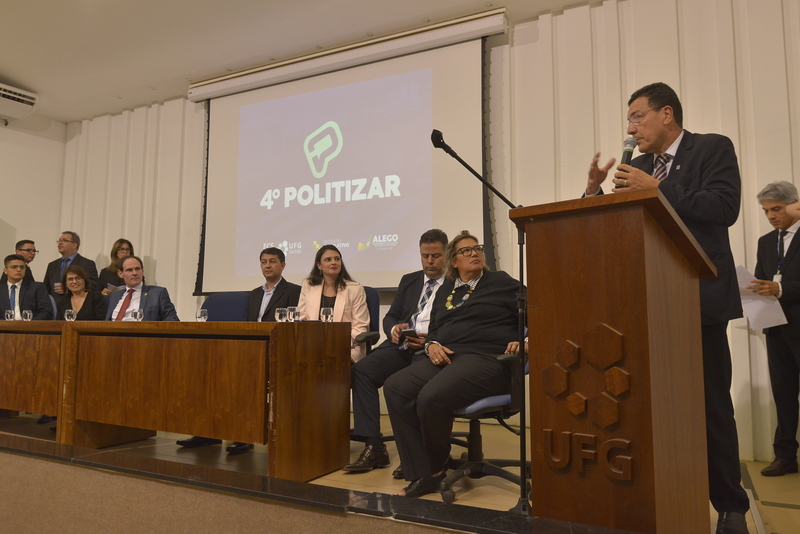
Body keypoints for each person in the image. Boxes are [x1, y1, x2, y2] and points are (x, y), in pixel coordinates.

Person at [584, 82, 749, 533]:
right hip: (644, 302)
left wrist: (657, 187)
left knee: (711, 406)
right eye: (629, 120)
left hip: (698, 298)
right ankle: (660, 493)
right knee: (647, 405)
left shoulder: (711, 148)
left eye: (637, 117)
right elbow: (615, 224)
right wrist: (594, 192)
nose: (631, 128)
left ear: (666, 114)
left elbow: (723, 207)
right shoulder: (636, 166)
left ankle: (730, 506)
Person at [383, 231, 521, 498]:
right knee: (396, 386)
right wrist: (431, 344)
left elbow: (537, 309)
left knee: (431, 396)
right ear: (453, 261)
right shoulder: (446, 289)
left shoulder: (501, 282)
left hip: (487, 359)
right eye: (465, 251)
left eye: (477, 249)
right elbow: (435, 328)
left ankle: (435, 470)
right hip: (448, 356)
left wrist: (526, 340)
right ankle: (422, 469)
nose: (473, 253)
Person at [176, 246, 302, 455]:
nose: (268, 265)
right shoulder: (253, 294)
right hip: (251, 349)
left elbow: (294, 325)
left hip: (277, 351)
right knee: (210, 372)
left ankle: (245, 435)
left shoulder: (294, 291)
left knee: (243, 378)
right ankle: (207, 433)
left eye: (272, 261)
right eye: (264, 262)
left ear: (283, 265)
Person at [344, 229, 449, 476]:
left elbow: (457, 323)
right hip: (401, 344)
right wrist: (394, 329)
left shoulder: (455, 283)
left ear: (446, 254)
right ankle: (374, 447)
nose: (429, 262)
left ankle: (414, 455)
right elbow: (391, 315)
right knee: (362, 371)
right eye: (425, 256)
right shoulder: (410, 280)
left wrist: (430, 339)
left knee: (405, 384)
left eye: (435, 256)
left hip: (430, 347)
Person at [746, 181, 800, 477]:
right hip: (776, 329)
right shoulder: (766, 241)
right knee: (783, 395)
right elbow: (761, 279)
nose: (771, 216)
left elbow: (778, 286)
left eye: (776, 209)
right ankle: (785, 456)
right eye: (766, 211)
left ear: (794, 204)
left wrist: (781, 288)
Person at [297, 244, 369, 362]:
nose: (334, 262)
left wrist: (334, 343)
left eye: (337, 259)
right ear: (319, 265)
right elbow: (302, 319)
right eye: (328, 259)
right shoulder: (309, 286)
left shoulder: (355, 289)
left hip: (346, 347)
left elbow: (360, 327)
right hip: (313, 346)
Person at [105, 255, 179, 321]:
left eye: (137, 269)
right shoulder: (114, 296)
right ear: (120, 273)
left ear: (142, 271)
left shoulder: (157, 294)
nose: (134, 273)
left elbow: (173, 320)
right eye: (129, 270)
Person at [43, 232, 98, 296]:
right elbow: (46, 289)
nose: (60, 243)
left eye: (64, 240)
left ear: (74, 245)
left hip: (77, 301)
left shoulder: (87, 264)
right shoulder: (52, 265)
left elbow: (92, 286)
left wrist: (68, 289)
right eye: (59, 241)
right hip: (55, 302)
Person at [1, 254, 52, 320]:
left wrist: (29, 324)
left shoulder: (37, 287)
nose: (19, 270)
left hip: (30, 325)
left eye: (22, 267)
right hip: (4, 325)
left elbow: (46, 312)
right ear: (5, 271)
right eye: (14, 267)